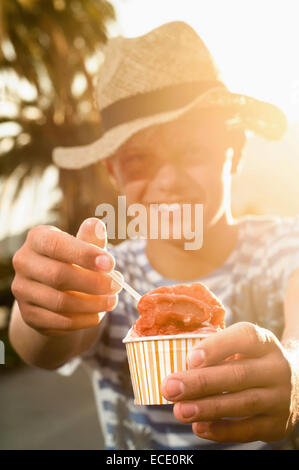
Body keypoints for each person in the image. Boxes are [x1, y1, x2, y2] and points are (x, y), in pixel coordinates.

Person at [9, 22, 299, 450]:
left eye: (192, 152)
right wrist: (41, 311)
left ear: (233, 150)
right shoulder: (109, 275)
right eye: (140, 159)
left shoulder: (277, 248)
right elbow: (43, 347)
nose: (168, 181)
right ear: (114, 173)